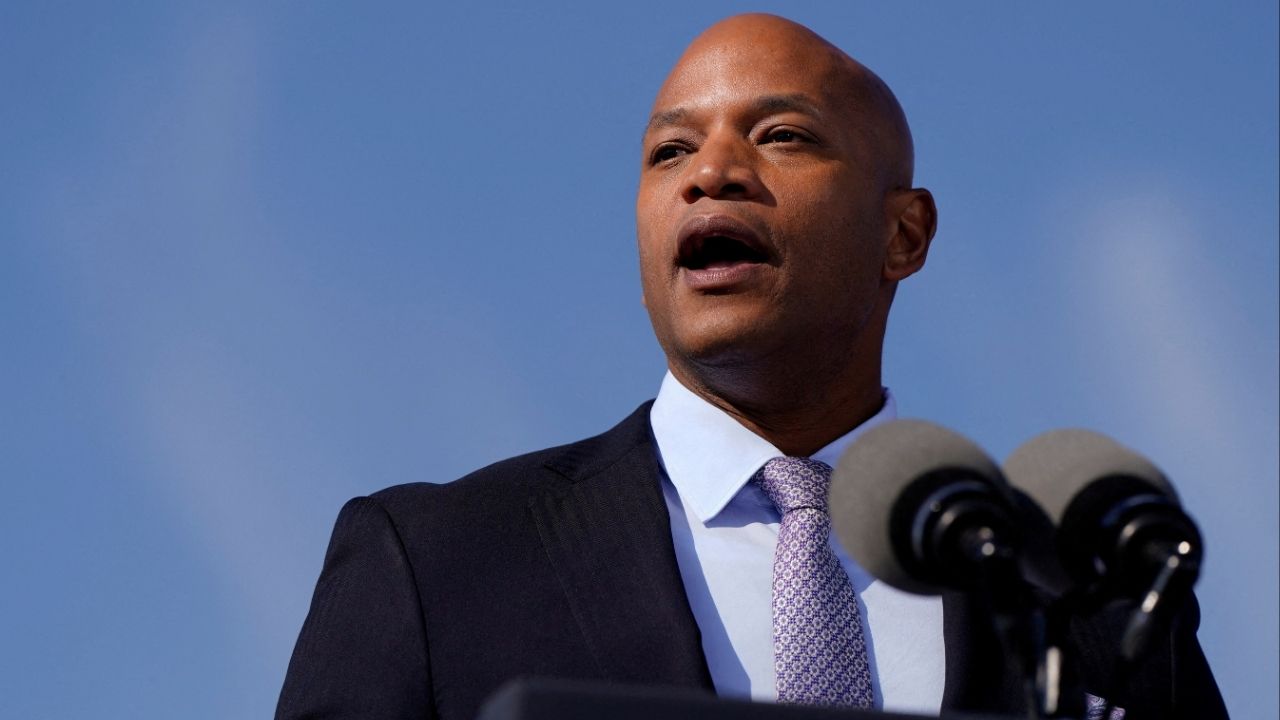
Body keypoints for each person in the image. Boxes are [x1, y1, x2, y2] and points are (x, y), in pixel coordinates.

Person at [276, 14, 1226, 720]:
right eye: (669, 151)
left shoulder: (1086, 589)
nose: (709, 172)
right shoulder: (437, 561)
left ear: (903, 235)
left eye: (780, 136)